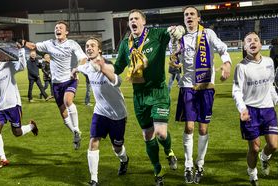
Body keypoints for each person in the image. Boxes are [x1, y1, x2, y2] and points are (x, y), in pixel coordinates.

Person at [114, 9, 178, 186]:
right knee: (148, 135)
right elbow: (118, 67)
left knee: (161, 134)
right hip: (139, 96)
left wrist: (175, 30)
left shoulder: (157, 34)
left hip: (158, 92)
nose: (132, 21)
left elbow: (172, 32)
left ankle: (169, 151)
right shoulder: (125, 44)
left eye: (136, 18)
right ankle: (158, 171)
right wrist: (100, 66)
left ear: (143, 21)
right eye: (130, 19)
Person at [173, 6, 231, 184]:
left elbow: (222, 49)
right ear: (184, 19)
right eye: (186, 15)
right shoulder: (179, 38)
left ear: (198, 18)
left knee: (203, 128)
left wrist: (227, 63)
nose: (189, 17)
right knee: (189, 127)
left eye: (192, 14)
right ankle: (188, 165)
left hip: (206, 86)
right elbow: (176, 60)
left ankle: (200, 163)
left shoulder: (208, 34)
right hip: (188, 87)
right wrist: (174, 57)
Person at [73, 37, 129, 186]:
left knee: (117, 147)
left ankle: (124, 160)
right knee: (93, 140)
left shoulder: (108, 66)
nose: (89, 48)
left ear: (99, 50)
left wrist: (103, 69)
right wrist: (75, 70)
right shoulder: (87, 65)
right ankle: (94, 179)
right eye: (87, 45)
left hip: (118, 114)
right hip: (100, 112)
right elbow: (81, 67)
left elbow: (118, 81)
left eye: (92, 45)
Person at [23, 21, 87, 150]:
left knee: (68, 101)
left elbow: (83, 58)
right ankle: (76, 133)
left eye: (60, 28)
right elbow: (34, 46)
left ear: (66, 32)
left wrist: (78, 68)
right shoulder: (49, 44)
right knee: (63, 113)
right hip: (56, 83)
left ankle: (77, 129)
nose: (57, 29)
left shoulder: (72, 44)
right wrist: (24, 43)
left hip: (70, 79)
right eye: (56, 28)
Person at [232, 32, 278, 186]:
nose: (252, 42)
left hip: (268, 109)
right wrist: (242, 109)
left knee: (273, 145)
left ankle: (264, 159)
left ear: (260, 44)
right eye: (248, 41)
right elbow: (236, 90)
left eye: (255, 40)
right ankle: (252, 174)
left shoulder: (269, 62)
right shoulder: (241, 67)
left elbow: (271, 85)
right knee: (254, 148)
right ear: (245, 47)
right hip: (250, 111)